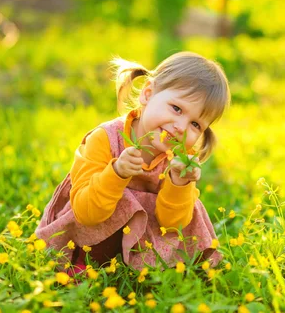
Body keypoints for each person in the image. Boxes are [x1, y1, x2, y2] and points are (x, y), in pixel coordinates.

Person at [36, 51, 231, 273]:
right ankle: (83, 262)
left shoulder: (179, 158)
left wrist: (179, 185)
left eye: (195, 124)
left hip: (142, 239)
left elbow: (172, 225)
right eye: (176, 108)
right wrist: (117, 173)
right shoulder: (105, 139)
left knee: (191, 206)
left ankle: (153, 269)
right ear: (147, 94)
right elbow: (85, 212)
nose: (181, 127)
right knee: (120, 196)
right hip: (93, 227)